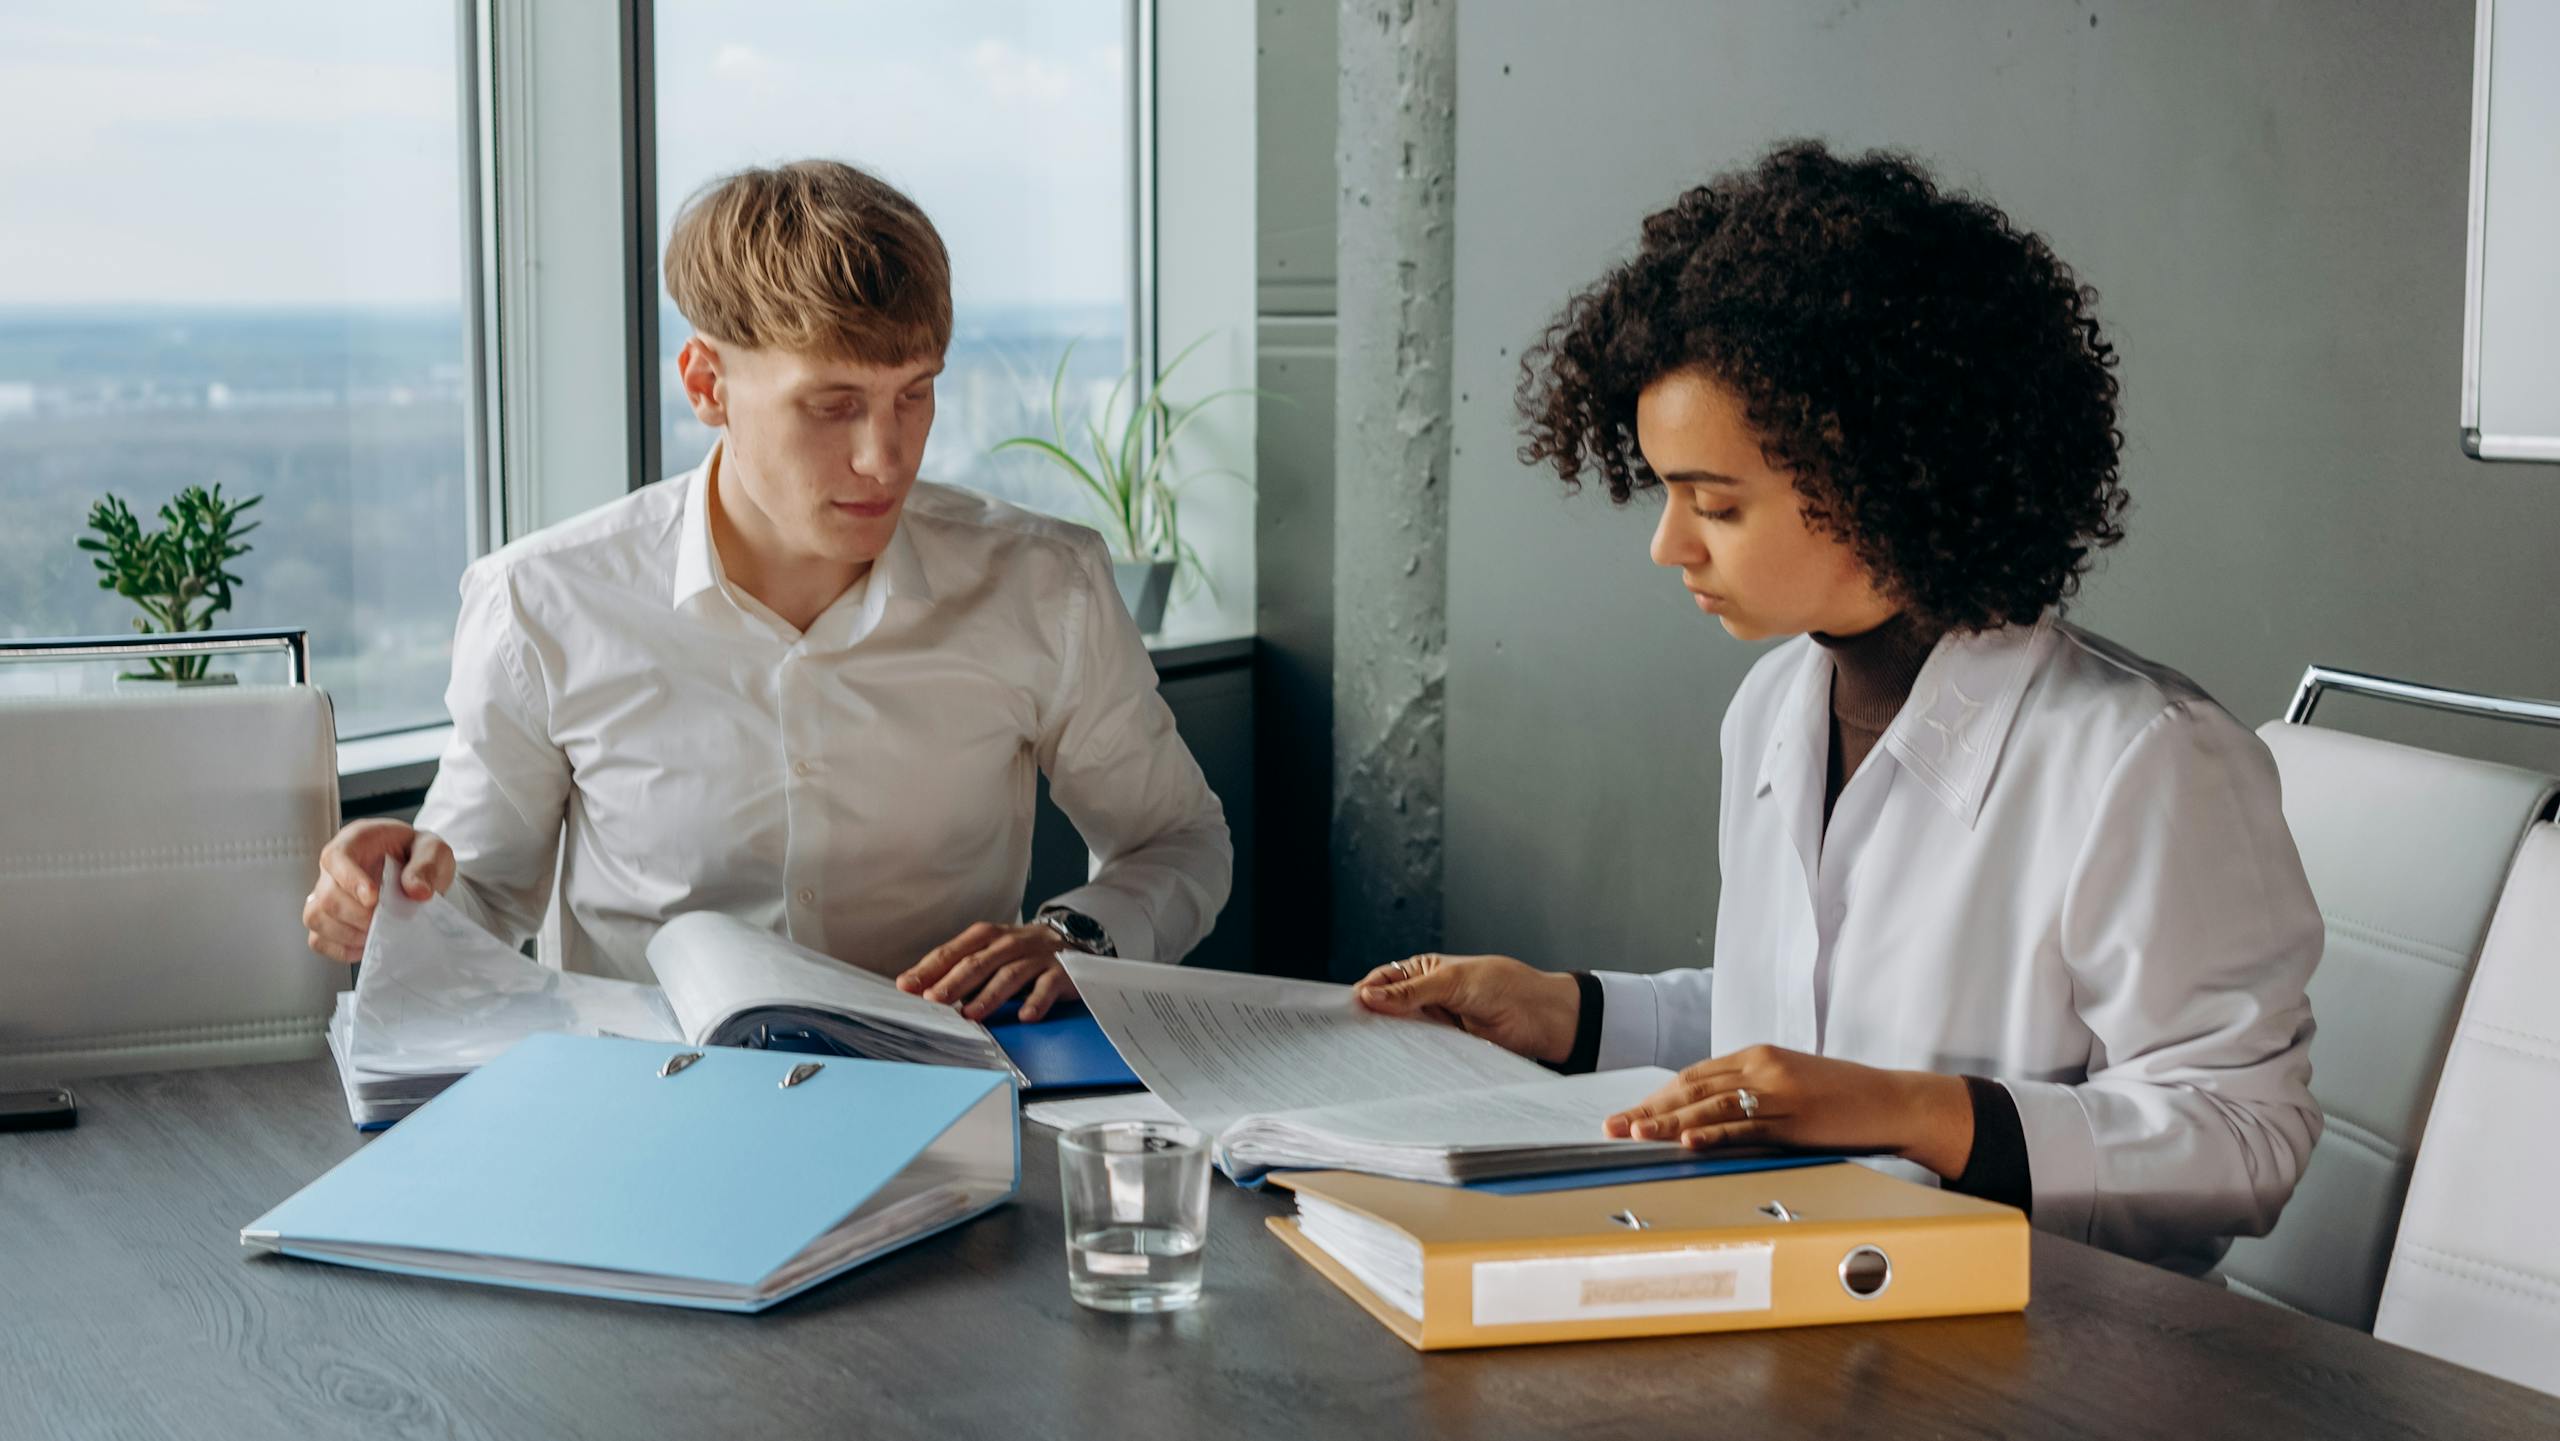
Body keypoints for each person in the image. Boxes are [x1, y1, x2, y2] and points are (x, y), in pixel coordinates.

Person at [1356, 141, 2321, 1274]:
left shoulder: (2144, 759)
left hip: (2044, 1344)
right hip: (1807, 1294)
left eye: (1712, 503)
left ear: (1879, 479)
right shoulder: (1773, 703)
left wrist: (1910, 1111)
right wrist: (1570, 1012)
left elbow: (2245, 1139)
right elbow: (1802, 1035)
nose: (1667, 545)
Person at [300, 160, 1230, 1022]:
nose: (886, 456)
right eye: (833, 405)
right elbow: (478, 904)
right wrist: (390, 898)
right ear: (708, 382)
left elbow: (1179, 841)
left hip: (954, 1104)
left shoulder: (1043, 586)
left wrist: (1076, 937)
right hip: (645, 1115)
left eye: (915, 393)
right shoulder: (542, 603)